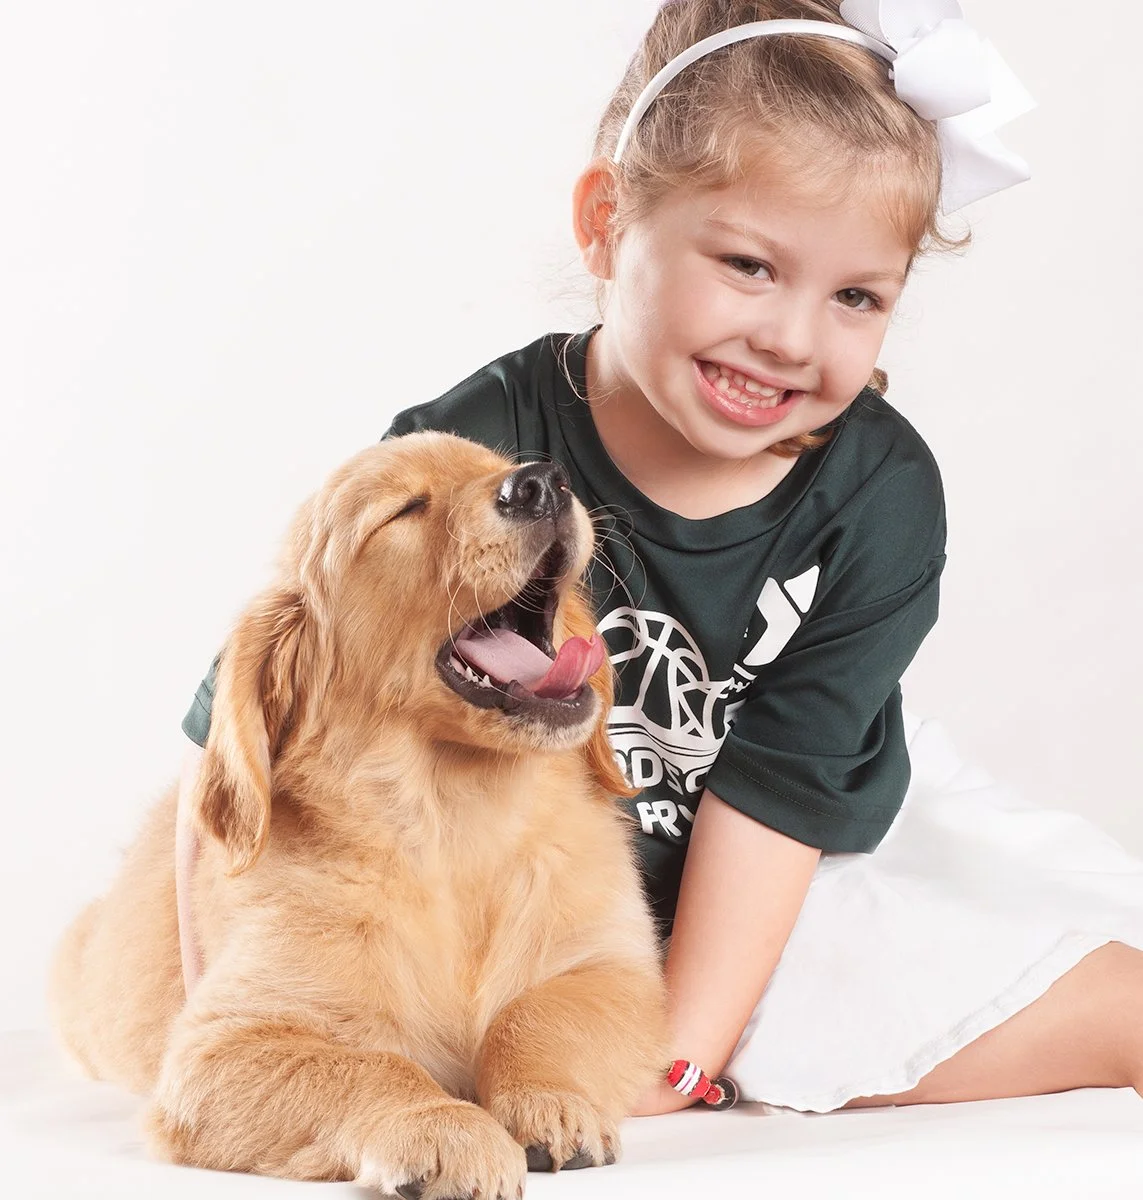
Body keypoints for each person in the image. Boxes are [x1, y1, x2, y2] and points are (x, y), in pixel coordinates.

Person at [175, 0, 1143, 1119]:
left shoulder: (878, 498)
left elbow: (782, 794)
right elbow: (236, 743)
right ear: (605, 223)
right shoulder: (481, 445)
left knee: (1084, 995)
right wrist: (228, 1026)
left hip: (787, 860)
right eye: (746, 264)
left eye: (857, 297)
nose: (791, 337)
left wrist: (674, 1058)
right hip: (546, 905)